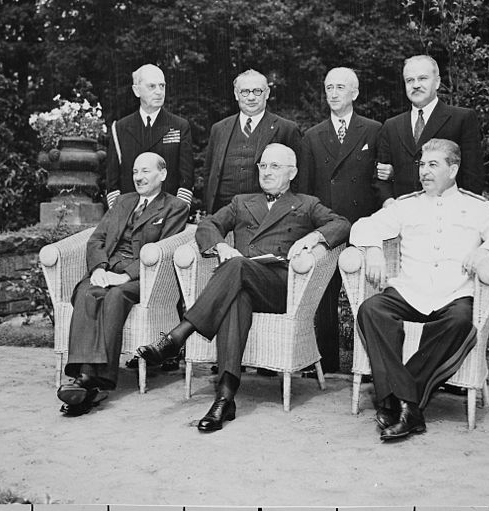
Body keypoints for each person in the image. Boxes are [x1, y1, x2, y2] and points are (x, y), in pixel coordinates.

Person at [136, 144, 350, 432]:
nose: (267, 171)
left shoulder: (307, 203)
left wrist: (314, 237)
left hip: (281, 287)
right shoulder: (241, 201)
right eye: (263, 166)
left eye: (275, 166)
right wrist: (222, 245)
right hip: (241, 282)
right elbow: (207, 225)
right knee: (236, 297)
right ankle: (225, 398)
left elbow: (342, 223)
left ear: (293, 172)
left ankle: (179, 335)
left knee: (236, 266)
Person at [351, 138, 489, 441]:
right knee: (371, 309)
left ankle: (398, 401)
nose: (424, 172)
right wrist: (373, 250)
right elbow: (363, 226)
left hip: (452, 294)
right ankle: (409, 407)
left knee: (461, 322)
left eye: (433, 165)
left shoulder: (476, 208)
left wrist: (488, 251)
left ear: (453, 168)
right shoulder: (407, 206)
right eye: (421, 164)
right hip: (410, 291)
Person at [57, 152, 189, 416]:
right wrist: (98, 269)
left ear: (162, 174)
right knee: (86, 292)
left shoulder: (175, 207)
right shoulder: (123, 202)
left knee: (116, 296)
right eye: (135, 172)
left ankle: (93, 379)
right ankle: (86, 379)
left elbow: (164, 250)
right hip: (108, 268)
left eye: (145, 171)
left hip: (145, 278)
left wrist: (126, 276)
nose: (139, 177)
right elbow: (96, 240)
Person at [297, 67, 383, 373]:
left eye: (340, 87)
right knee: (323, 295)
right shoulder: (312, 136)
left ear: (355, 93)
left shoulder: (373, 130)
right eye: (329, 87)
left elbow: (379, 182)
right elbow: (306, 190)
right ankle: (327, 362)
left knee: (367, 295)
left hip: (362, 226)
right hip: (327, 227)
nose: (333, 93)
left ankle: (369, 363)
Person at [376, 55, 484, 206]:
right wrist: (389, 202)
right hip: (403, 218)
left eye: (422, 78)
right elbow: (380, 177)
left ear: (437, 82)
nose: (416, 85)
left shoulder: (462, 118)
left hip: (447, 216)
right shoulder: (391, 125)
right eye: (410, 80)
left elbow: (473, 176)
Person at [202, 69, 302, 215]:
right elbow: (208, 172)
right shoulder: (219, 129)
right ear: (236, 95)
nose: (251, 97)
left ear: (267, 93)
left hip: (266, 214)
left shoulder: (286, 129)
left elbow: (299, 179)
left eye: (257, 91)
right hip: (222, 212)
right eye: (245, 92)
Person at [106, 64, 194, 209]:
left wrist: (177, 214)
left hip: (167, 215)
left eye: (162, 86)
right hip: (129, 215)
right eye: (152, 86)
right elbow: (112, 182)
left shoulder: (179, 126)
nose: (159, 92)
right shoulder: (120, 128)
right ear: (136, 90)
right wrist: (118, 214)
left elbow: (186, 179)